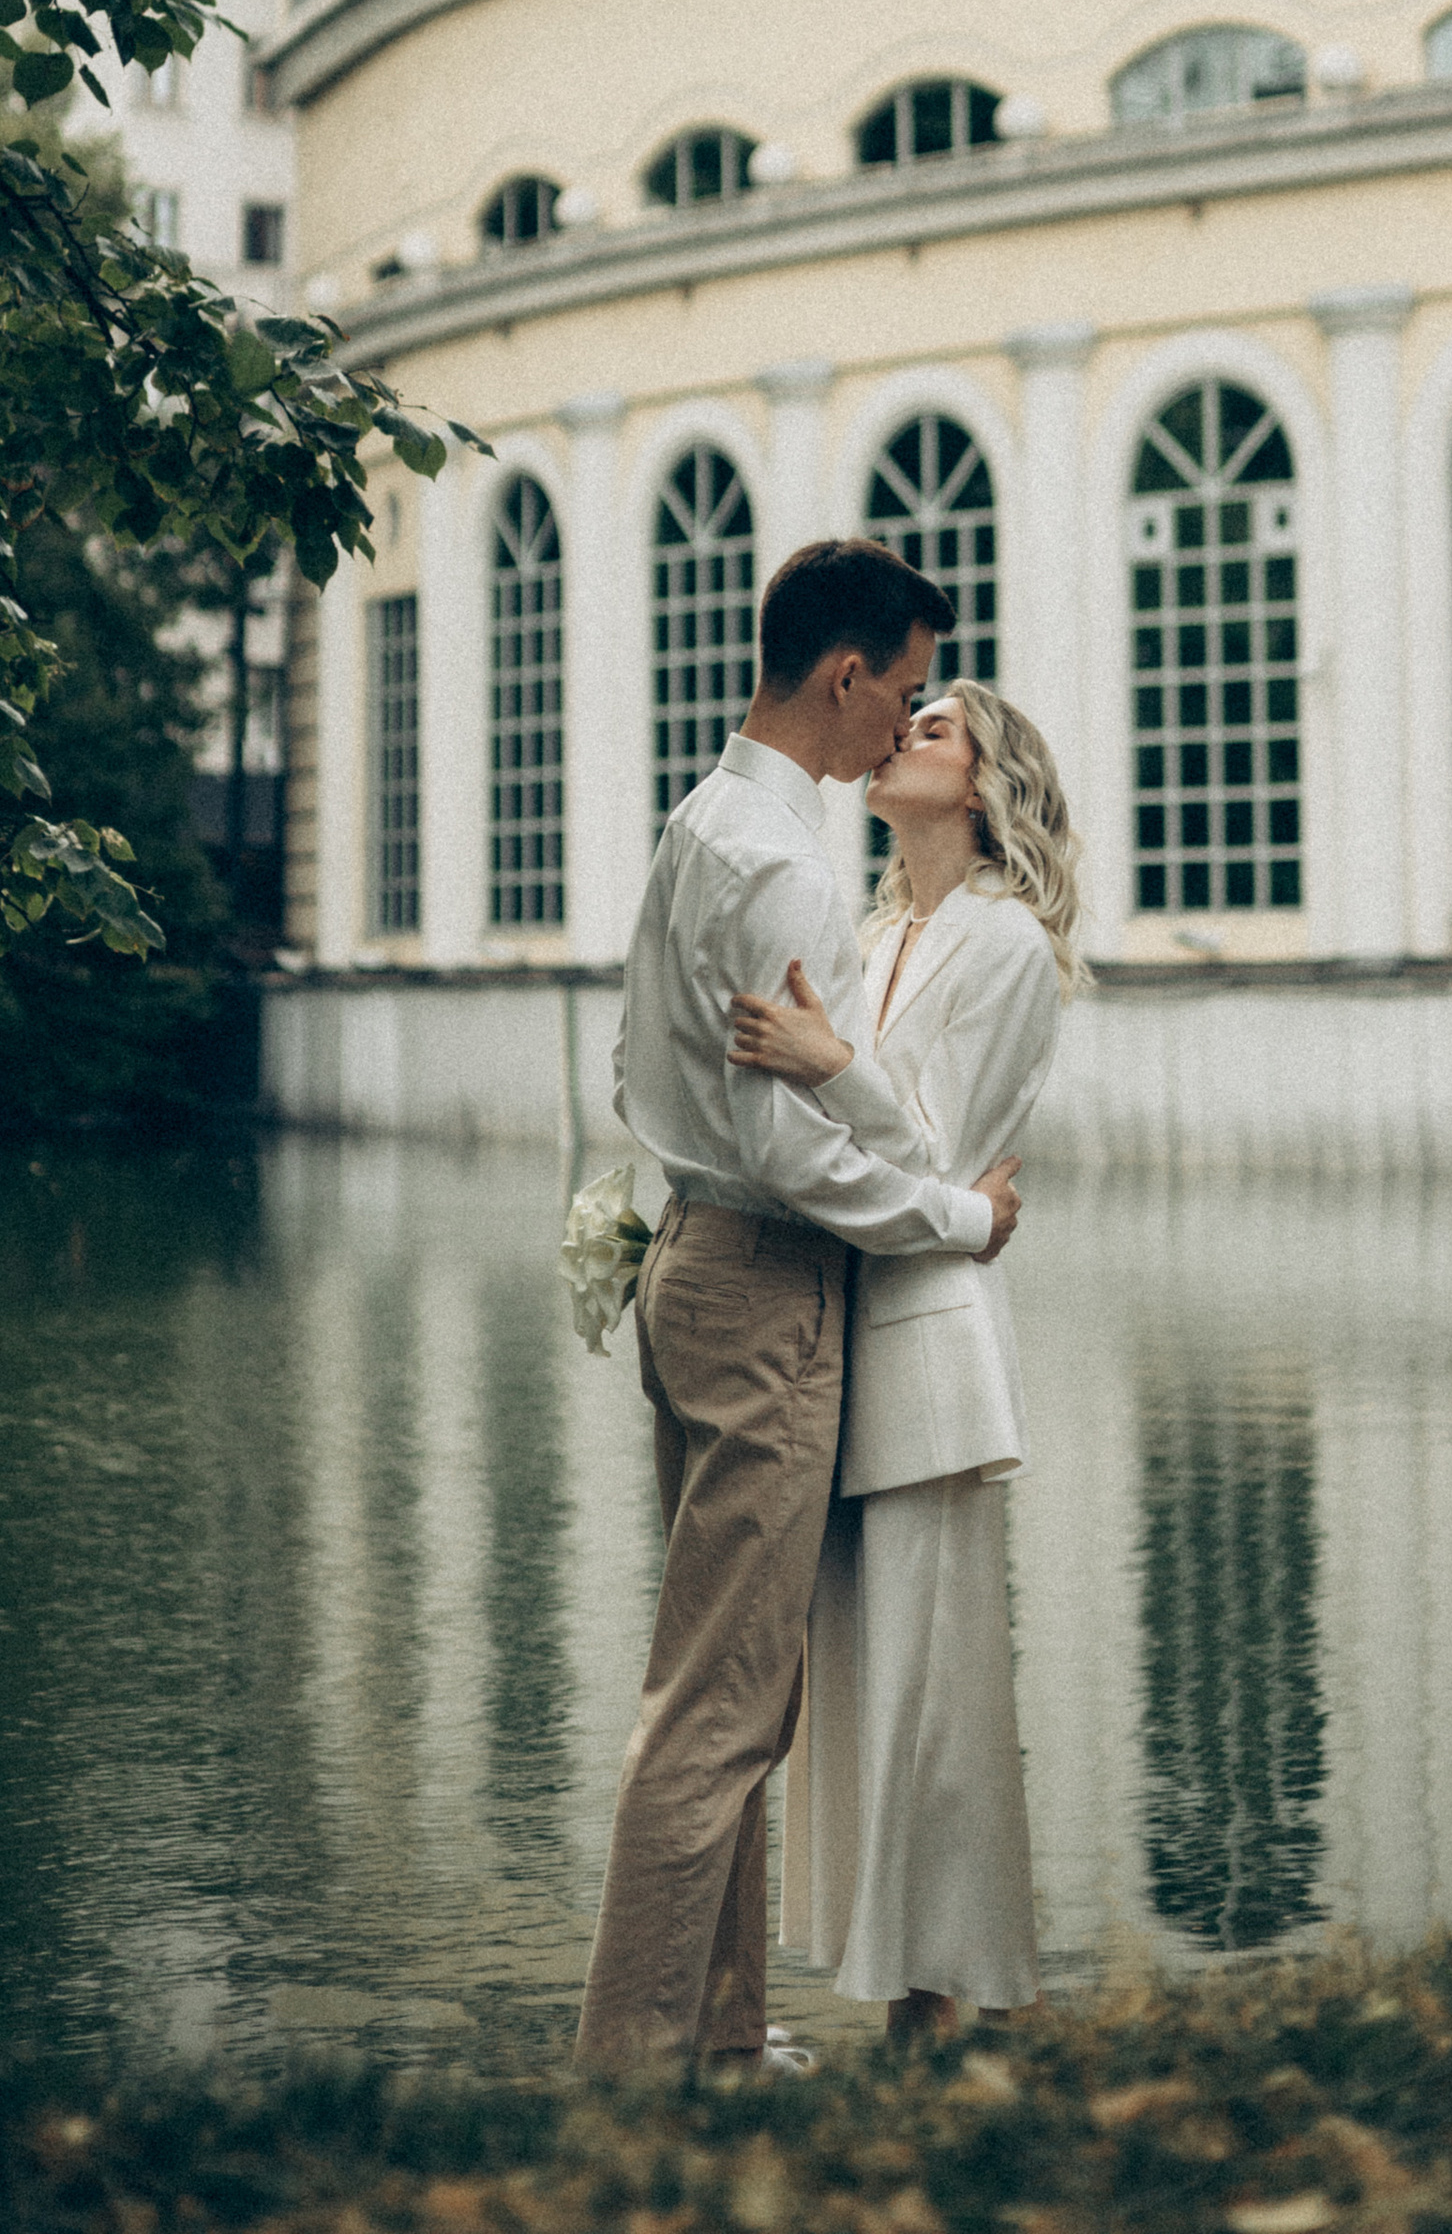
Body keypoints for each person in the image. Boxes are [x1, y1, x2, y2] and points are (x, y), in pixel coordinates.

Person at [574, 542, 1026, 2073]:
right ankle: (638, 2068)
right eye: (898, 695)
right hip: (765, 1286)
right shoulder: (783, 864)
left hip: (695, 1269)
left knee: (725, 1689)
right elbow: (796, 1148)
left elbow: (633, 1073)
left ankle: (718, 2039)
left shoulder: (702, 824)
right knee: (721, 1711)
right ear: (843, 676)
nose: (899, 727)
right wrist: (960, 1216)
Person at [729, 679, 1080, 2039]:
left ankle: (947, 2012)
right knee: (864, 1706)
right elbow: (868, 1154)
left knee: (936, 1706)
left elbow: (931, 1159)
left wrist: (828, 1061)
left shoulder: (1010, 947)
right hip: (834, 1341)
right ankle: (904, 2011)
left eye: (937, 729)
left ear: (988, 785)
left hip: (931, 1359)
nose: (904, 735)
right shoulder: (874, 933)